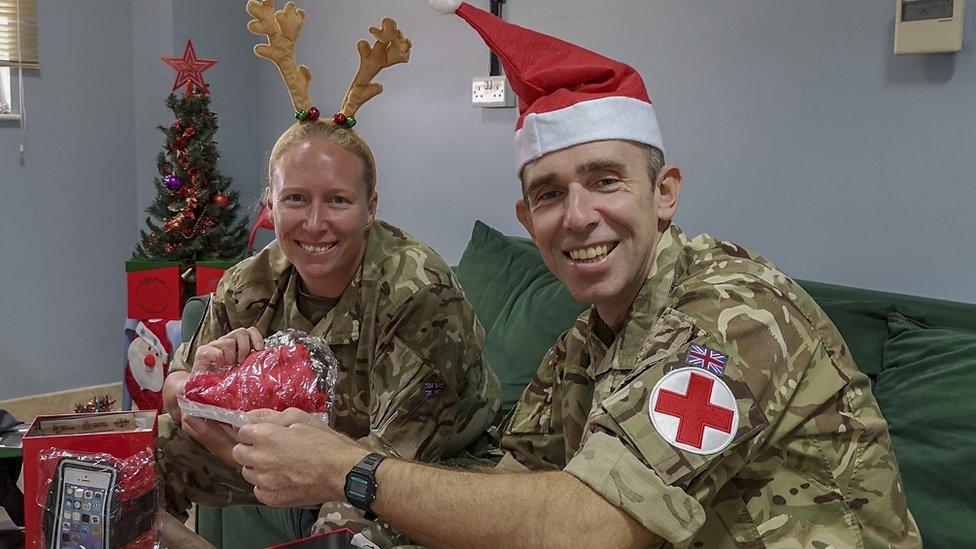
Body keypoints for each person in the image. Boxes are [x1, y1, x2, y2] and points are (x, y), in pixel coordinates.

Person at [228, 2, 921, 547]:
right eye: (551, 193)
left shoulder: (732, 311)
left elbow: (590, 524)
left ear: (666, 192)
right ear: (527, 219)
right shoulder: (584, 348)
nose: (579, 216)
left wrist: (350, 470)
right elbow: (505, 491)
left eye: (606, 181)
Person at [156, 5, 498, 543]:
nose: (315, 224)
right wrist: (203, 377)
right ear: (271, 205)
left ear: (370, 208)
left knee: (346, 534)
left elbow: (383, 468)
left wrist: (260, 451)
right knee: (145, 456)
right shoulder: (248, 284)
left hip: (423, 467)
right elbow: (174, 393)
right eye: (296, 199)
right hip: (303, 451)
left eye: (337, 200)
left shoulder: (417, 290)